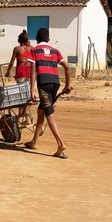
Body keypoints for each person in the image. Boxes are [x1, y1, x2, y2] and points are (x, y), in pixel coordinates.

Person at [24, 28, 71, 158]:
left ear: (36, 39)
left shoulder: (34, 50)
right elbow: (67, 67)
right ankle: (34, 142)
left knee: (49, 114)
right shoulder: (55, 51)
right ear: (48, 40)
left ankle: (60, 143)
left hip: (43, 84)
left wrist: (31, 90)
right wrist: (67, 85)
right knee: (41, 112)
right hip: (55, 84)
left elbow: (33, 71)